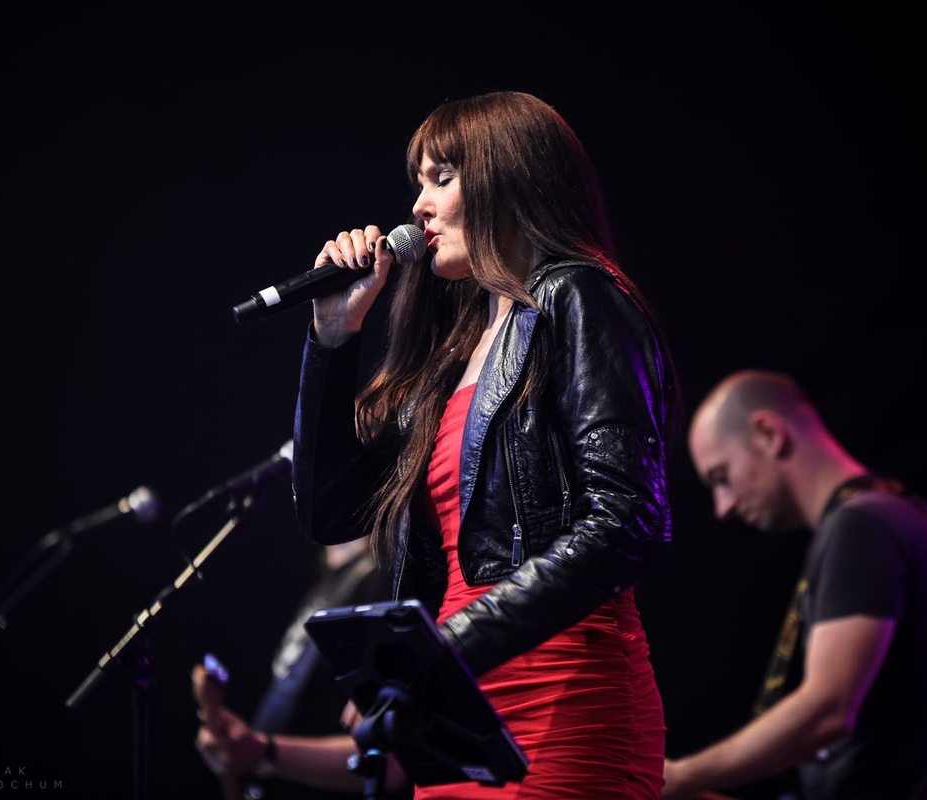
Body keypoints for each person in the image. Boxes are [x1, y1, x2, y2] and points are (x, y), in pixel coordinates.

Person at [290, 90, 680, 799]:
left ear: (510, 177)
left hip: (563, 696)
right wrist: (333, 337)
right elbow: (331, 512)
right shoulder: (450, 355)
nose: (418, 206)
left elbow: (629, 517)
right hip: (455, 716)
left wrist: (447, 647)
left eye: (442, 178)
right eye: (418, 182)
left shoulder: (577, 296)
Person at [662, 369, 927, 800]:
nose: (723, 507)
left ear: (768, 434)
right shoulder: (906, 513)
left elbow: (828, 709)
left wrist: (683, 777)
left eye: (721, 477)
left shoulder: (862, 526)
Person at [194, 536, 412, 799]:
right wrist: (247, 749)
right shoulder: (328, 585)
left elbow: (392, 763)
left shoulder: (380, 582)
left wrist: (266, 751)